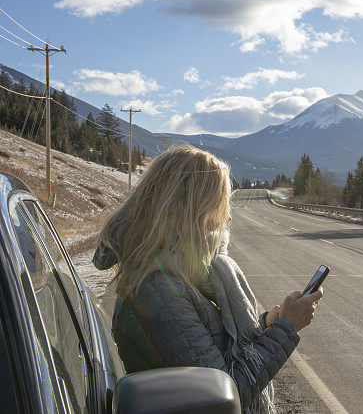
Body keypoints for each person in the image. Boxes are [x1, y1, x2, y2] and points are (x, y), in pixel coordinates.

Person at [93, 145, 322, 413]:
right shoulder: (158, 290)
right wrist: (286, 329)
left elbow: (210, 349)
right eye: (217, 205)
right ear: (190, 207)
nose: (221, 221)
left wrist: (268, 325)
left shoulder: (180, 272)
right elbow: (226, 392)